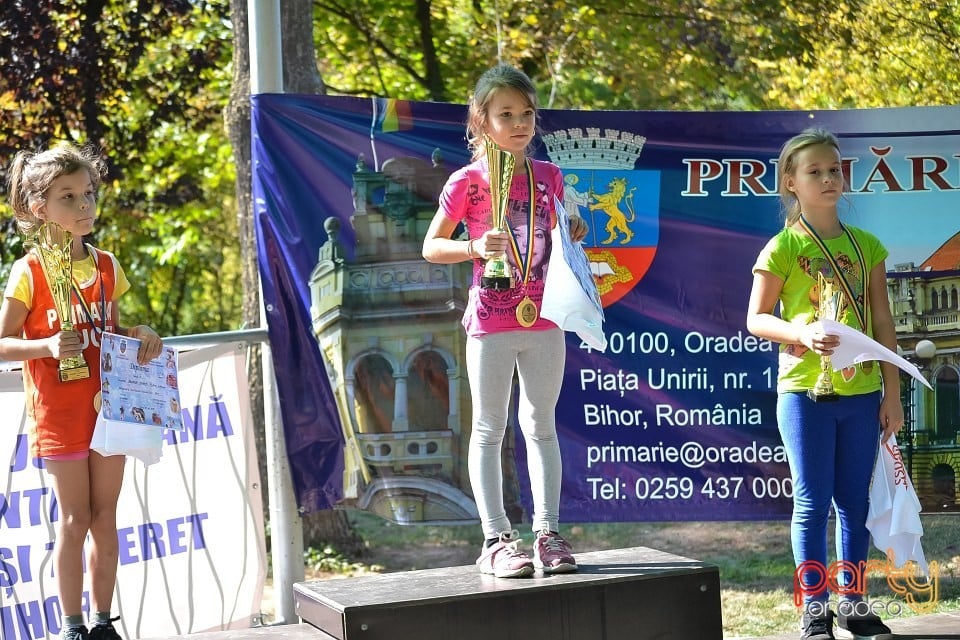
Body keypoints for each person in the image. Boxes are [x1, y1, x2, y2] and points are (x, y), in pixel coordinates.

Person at [422, 64, 588, 578]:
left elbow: (568, 228)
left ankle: (548, 534)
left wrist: (576, 225)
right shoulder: (467, 183)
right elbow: (431, 246)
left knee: (541, 427)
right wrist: (472, 245)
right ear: (482, 122)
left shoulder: (550, 177)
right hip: (492, 321)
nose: (519, 123)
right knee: (490, 428)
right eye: (506, 115)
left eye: (526, 114)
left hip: (545, 317)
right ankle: (495, 538)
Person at [0, 143, 163, 640]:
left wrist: (141, 335)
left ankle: (103, 622)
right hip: (58, 414)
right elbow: (2, 343)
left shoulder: (108, 265)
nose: (84, 206)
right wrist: (46, 344)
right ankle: (71, 626)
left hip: (110, 410)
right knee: (74, 518)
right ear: (38, 208)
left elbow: (112, 332)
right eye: (67, 197)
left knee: (105, 515)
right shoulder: (28, 271)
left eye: (88, 193)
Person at [746, 128, 903, 640]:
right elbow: (756, 318)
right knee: (812, 502)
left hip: (861, 396)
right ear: (791, 182)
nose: (829, 178)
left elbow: (884, 325)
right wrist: (800, 331)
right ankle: (814, 606)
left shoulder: (868, 246)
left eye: (835, 169)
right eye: (815, 171)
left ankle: (853, 602)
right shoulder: (784, 245)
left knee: (853, 503)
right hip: (803, 395)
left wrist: (893, 394)